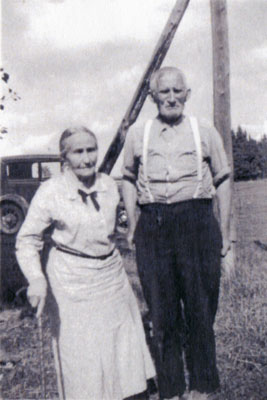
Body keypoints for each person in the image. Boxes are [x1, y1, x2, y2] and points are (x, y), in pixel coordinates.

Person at [16, 126, 155, 400]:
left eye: (91, 149)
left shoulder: (108, 185)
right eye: (78, 152)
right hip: (71, 281)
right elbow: (27, 240)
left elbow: (127, 223)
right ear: (64, 157)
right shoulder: (50, 191)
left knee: (122, 349)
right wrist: (36, 278)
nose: (87, 158)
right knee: (83, 357)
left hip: (111, 278)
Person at [122, 67, 233, 400]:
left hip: (197, 222)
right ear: (153, 97)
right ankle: (171, 389)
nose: (171, 97)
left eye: (177, 91)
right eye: (164, 92)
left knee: (201, 307)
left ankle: (203, 385)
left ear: (187, 93)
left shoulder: (204, 130)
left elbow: (224, 178)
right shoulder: (137, 133)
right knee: (162, 310)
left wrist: (224, 232)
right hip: (153, 224)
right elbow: (127, 177)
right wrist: (132, 220)